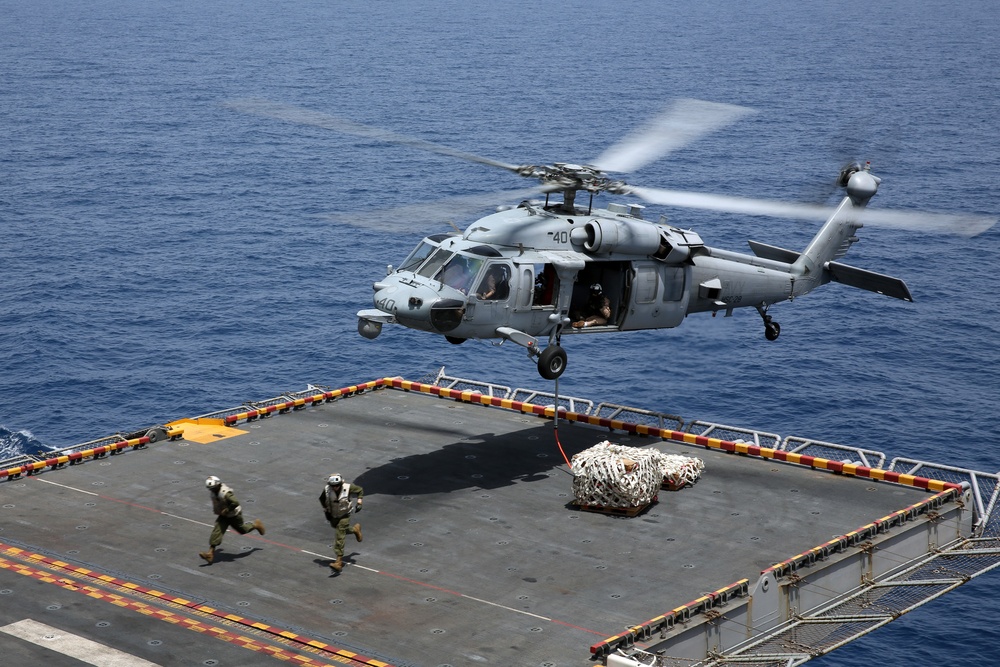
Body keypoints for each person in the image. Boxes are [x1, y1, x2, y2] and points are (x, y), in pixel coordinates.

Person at [199, 476, 265, 564]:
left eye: (213, 488)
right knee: (217, 531)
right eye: (210, 489)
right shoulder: (214, 492)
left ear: (218, 485)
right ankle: (210, 554)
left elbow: (235, 503)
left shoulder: (226, 493)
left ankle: (255, 525)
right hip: (224, 516)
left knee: (242, 530)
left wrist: (226, 510)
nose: (212, 490)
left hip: (234, 515)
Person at [319, 474, 364, 572]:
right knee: (340, 529)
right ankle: (355, 530)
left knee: (340, 534)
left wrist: (359, 502)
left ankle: (338, 561)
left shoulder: (348, 488)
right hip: (334, 516)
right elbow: (322, 498)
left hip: (345, 515)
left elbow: (360, 490)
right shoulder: (327, 489)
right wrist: (326, 509)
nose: (335, 487)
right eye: (333, 485)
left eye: (337, 485)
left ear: (341, 483)